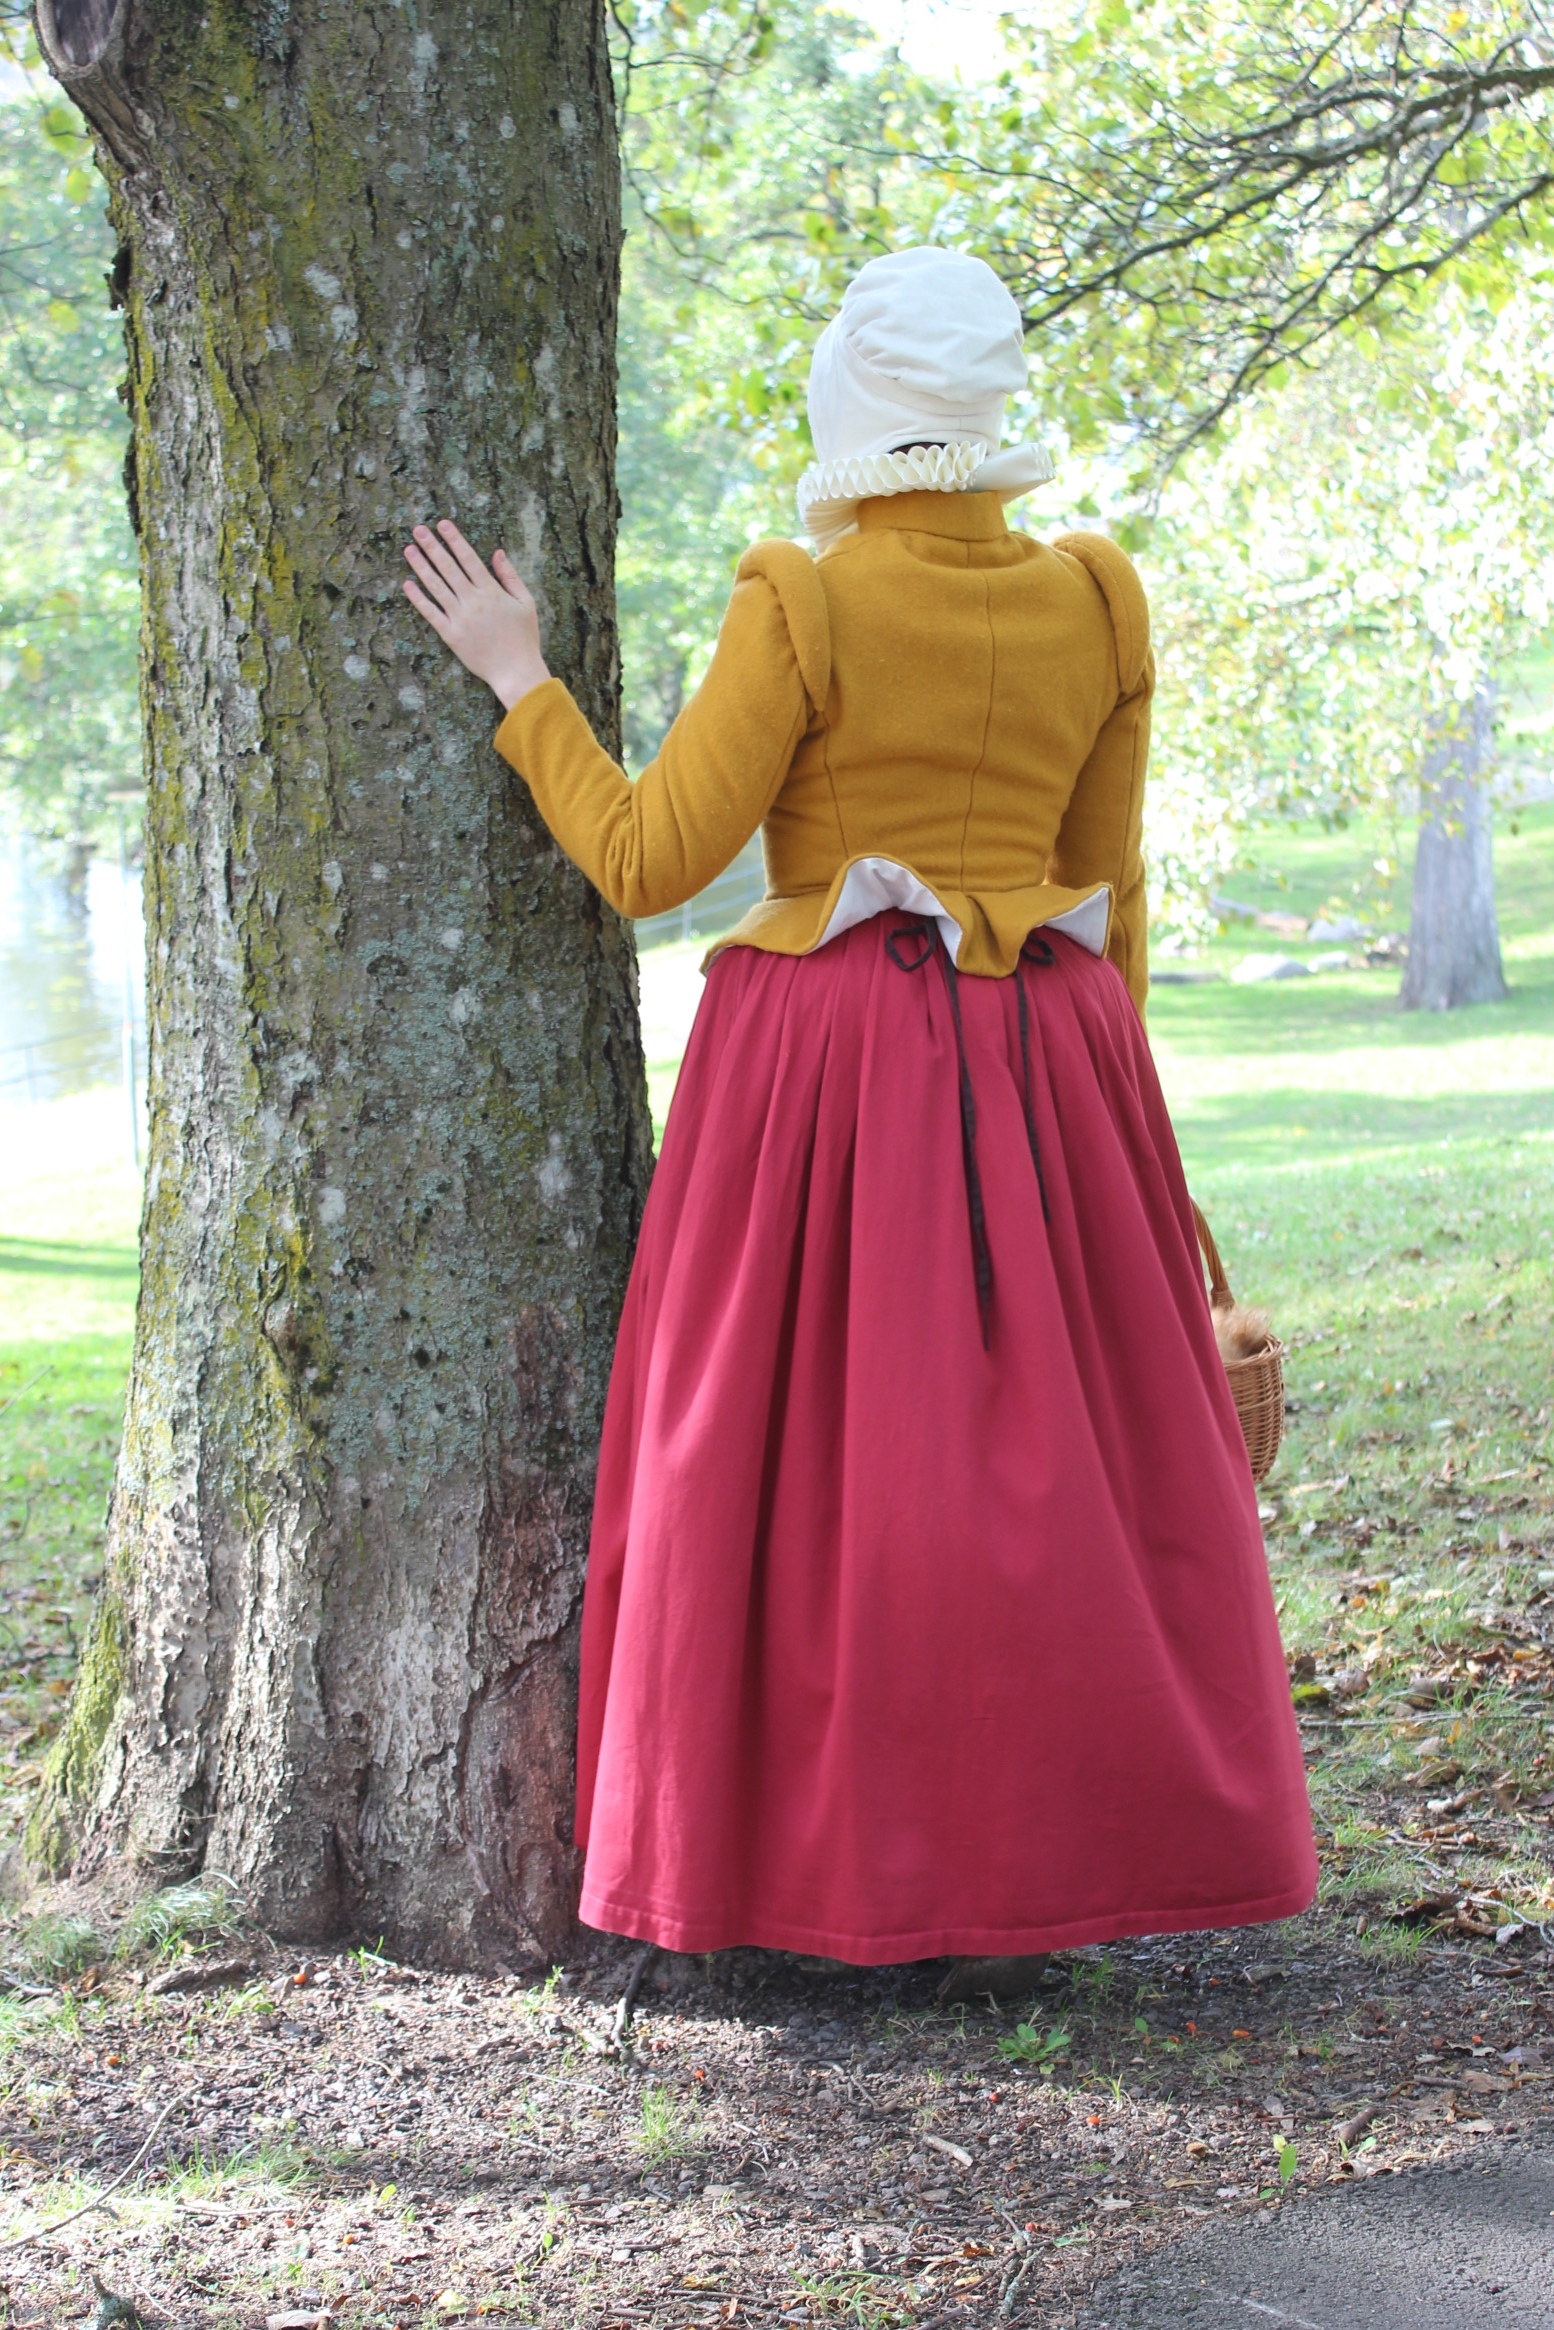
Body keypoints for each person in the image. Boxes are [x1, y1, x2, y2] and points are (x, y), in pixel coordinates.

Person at [402, 246, 1316, 1988]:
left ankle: (827, 1865)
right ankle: (1035, 1860)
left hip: (831, 1078)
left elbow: (650, 858)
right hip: (1052, 1061)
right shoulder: (1097, 595)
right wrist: (1117, 1135)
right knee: (1049, 1486)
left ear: (853, 409)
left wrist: (522, 681)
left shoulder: (802, 599)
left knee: (804, 1469)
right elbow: (1105, 886)